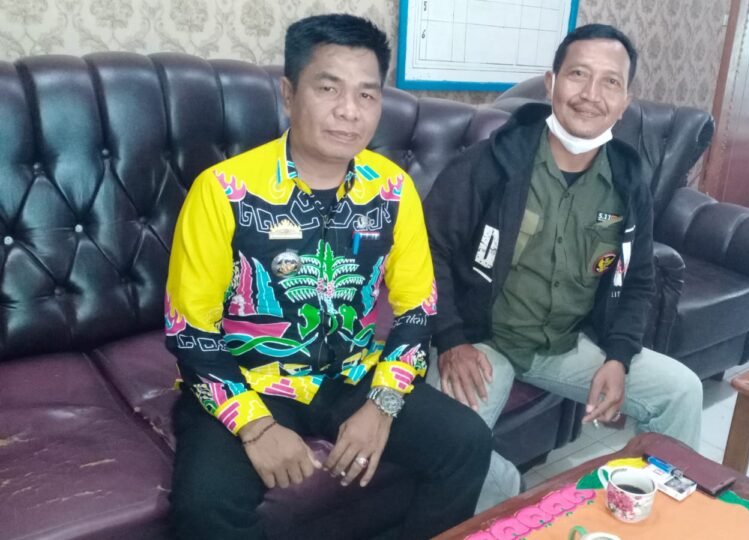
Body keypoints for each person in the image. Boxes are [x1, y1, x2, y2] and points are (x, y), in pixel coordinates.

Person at [165, 14, 490, 539]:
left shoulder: (392, 190)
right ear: (289, 94)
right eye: (328, 88)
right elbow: (188, 329)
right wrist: (255, 425)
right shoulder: (224, 190)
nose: (349, 111)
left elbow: (418, 308)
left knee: (466, 442)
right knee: (205, 506)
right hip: (250, 378)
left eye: (367, 94)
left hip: (352, 375)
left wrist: (382, 405)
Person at [424, 23, 703, 512]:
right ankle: (511, 495)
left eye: (610, 82)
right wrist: (450, 340)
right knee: (451, 448)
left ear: (624, 101)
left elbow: (636, 279)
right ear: (552, 83)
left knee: (681, 390)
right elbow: (430, 252)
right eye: (578, 75)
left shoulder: (628, 181)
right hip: (483, 341)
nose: (591, 94)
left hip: (564, 344)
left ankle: (650, 516)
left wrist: (618, 356)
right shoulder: (491, 163)